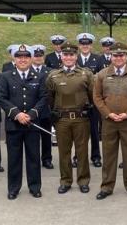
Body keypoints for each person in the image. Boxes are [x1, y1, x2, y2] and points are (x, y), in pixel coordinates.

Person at [92, 42, 127, 200]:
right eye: (115, 55)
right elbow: (97, 96)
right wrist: (107, 113)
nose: (118, 58)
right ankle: (107, 187)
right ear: (111, 56)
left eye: (121, 55)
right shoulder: (102, 74)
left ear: (126, 56)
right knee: (108, 155)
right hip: (108, 122)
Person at [0, 44, 48, 200]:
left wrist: (31, 115)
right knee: (14, 158)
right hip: (14, 124)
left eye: (26, 57)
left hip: (32, 124)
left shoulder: (40, 76)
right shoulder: (6, 76)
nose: (23, 60)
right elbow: (2, 98)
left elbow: (44, 98)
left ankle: (34, 187)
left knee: (33, 157)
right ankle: (13, 188)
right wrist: (17, 114)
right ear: (14, 59)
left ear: (31, 58)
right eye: (19, 57)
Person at [45, 43, 94, 195]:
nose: (68, 58)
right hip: (62, 120)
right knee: (64, 152)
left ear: (76, 56)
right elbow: (50, 98)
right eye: (65, 55)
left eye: (71, 55)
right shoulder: (53, 76)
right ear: (61, 56)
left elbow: (92, 95)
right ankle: (65, 181)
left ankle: (83, 180)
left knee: (82, 151)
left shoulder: (86, 74)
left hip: (81, 119)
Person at [77, 33, 104, 168]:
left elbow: (101, 79)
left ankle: (96, 156)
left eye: (87, 43)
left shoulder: (98, 59)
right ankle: (78, 157)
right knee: (79, 132)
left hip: (93, 101)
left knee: (94, 130)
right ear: (79, 45)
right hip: (78, 102)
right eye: (83, 44)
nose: (85, 46)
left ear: (91, 45)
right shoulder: (73, 59)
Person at [32, 44, 54, 170]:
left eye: (40, 56)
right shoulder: (27, 70)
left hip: (46, 109)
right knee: (33, 138)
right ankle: (34, 160)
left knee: (46, 137)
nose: (38, 58)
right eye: (36, 56)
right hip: (32, 110)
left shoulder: (49, 71)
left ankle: (47, 159)